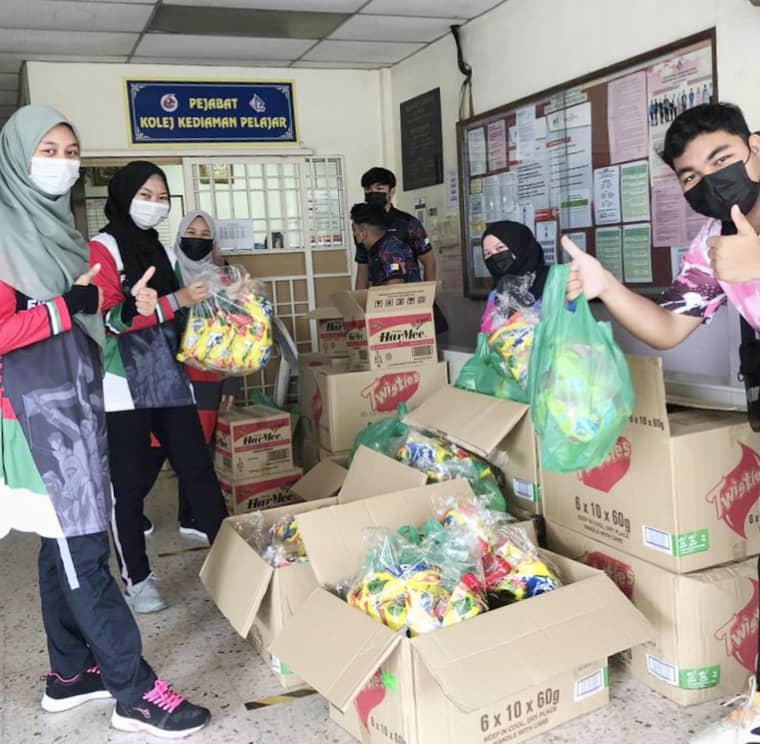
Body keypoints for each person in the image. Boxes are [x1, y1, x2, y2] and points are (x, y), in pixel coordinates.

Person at [0, 104, 210, 738]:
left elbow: (94, 320)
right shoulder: (3, 237)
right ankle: (134, 692)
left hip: (77, 403)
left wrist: (128, 311)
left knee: (59, 546)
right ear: (16, 157)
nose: (62, 164)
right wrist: (68, 305)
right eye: (48, 151)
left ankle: (70, 674)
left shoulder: (62, 234)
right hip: (34, 418)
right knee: (84, 551)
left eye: (71, 152)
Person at [563, 102, 760, 744]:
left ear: (755, 149)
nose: (709, 179)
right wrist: (605, 286)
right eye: (690, 175)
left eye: (721, 159)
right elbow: (669, 328)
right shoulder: (713, 244)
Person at [89, 161, 228, 613]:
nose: (155, 205)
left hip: (169, 376)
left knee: (198, 471)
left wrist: (231, 307)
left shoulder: (164, 254)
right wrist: (166, 302)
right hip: (123, 382)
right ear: (124, 196)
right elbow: (107, 321)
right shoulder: (103, 249)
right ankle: (137, 579)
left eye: (162, 197)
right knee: (128, 487)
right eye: (145, 195)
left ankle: (234, 562)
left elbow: (185, 314)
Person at [145, 209, 242, 538]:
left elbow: (235, 331)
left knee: (198, 446)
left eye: (204, 235)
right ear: (179, 235)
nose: (197, 240)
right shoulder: (162, 272)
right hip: (165, 373)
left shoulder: (224, 278)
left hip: (207, 377)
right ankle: (126, 509)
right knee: (156, 443)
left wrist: (232, 380)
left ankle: (191, 516)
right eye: (191, 233)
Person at [480, 220, 548, 335]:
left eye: (500, 248)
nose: (494, 257)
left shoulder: (553, 281)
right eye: (487, 254)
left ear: (520, 246)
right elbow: (487, 333)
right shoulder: (496, 293)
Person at [350, 202, 419, 286]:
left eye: (354, 229)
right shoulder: (377, 250)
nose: (354, 234)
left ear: (363, 232)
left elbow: (394, 290)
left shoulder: (390, 253)